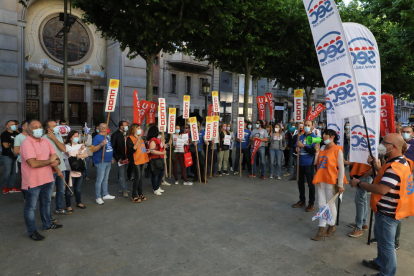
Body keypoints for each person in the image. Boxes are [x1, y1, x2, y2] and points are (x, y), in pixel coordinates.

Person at [350, 133, 414, 276]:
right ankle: (380, 262)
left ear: (394, 147)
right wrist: (377, 167)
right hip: (386, 210)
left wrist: (359, 183)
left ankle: (386, 273)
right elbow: (388, 179)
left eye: (385, 143)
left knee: (387, 246)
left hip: (388, 213)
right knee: (381, 239)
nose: (381, 145)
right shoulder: (400, 161)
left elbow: (382, 189)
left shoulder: (395, 167)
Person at [20, 120, 63, 241]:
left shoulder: (45, 141)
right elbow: (33, 163)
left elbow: (56, 157)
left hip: (48, 178)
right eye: (35, 127)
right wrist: (50, 161)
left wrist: (56, 163)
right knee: (31, 207)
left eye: (39, 127)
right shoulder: (26, 143)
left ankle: (48, 224)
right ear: (29, 129)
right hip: (33, 181)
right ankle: (32, 231)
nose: (38, 129)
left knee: (46, 203)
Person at [311, 129, 346, 240]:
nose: (324, 137)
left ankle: (331, 225)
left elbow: (341, 168)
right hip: (321, 179)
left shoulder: (337, 150)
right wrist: (316, 152)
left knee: (330, 204)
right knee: (321, 204)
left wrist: (340, 184)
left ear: (332, 137)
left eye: (326, 135)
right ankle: (321, 228)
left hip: (332, 180)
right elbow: (316, 163)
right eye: (323, 135)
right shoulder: (321, 148)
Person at [42, 120, 70, 215]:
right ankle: (47, 213)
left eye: (56, 125)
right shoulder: (43, 138)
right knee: (49, 192)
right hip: (51, 168)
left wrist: (54, 139)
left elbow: (63, 148)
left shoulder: (58, 136)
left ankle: (59, 208)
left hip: (61, 166)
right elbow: (46, 155)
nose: (57, 127)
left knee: (61, 190)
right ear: (48, 129)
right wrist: (56, 169)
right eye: (54, 126)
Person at [292, 120, 317, 211]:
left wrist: (303, 146)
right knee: (300, 183)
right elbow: (296, 148)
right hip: (300, 163)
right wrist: (296, 149)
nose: (306, 126)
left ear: (312, 126)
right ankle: (302, 200)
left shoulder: (315, 137)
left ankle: (311, 203)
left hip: (309, 164)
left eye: (308, 125)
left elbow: (314, 152)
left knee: (310, 184)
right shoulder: (300, 137)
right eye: (305, 125)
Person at [345, 161, 373, 238]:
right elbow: (359, 161)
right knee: (362, 200)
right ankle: (363, 223)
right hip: (363, 175)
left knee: (359, 201)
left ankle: (359, 227)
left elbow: (375, 166)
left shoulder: (372, 150)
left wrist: (363, 177)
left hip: (364, 176)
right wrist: (348, 163)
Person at [92, 123, 116, 204]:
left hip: (108, 160)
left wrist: (111, 158)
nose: (103, 128)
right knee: (99, 180)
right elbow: (93, 149)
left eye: (105, 127)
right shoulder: (97, 137)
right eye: (101, 127)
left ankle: (105, 194)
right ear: (98, 128)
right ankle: (98, 197)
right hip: (101, 161)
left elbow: (109, 148)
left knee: (105, 179)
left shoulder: (106, 137)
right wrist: (101, 144)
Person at [64, 131, 88, 210]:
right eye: (75, 136)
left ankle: (79, 202)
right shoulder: (67, 146)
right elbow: (70, 154)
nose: (77, 137)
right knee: (69, 188)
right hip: (70, 170)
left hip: (80, 169)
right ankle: (68, 205)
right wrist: (79, 152)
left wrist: (77, 154)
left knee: (77, 187)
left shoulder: (81, 145)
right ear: (71, 137)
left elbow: (86, 154)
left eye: (78, 136)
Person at [126, 124, 149, 202]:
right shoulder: (129, 139)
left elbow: (141, 148)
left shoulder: (140, 138)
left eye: (140, 128)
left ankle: (140, 193)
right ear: (133, 130)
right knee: (137, 176)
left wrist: (147, 151)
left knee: (141, 177)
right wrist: (137, 141)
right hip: (135, 160)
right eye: (138, 128)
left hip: (142, 159)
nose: (140, 129)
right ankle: (134, 195)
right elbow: (131, 150)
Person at [1, 120, 21, 194]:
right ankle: (5, 187)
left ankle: (12, 186)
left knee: (14, 172)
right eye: (11, 124)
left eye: (14, 124)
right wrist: (15, 144)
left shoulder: (16, 133)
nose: (14, 125)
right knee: (7, 172)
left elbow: (22, 139)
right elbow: (5, 145)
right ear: (7, 126)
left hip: (15, 155)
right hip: (7, 155)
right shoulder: (4, 134)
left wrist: (18, 132)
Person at [111, 120, 130, 198]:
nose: (127, 127)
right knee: (121, 174)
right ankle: (124, 189)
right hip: (120, 158)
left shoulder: (128, 134)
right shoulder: (115, 135)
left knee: (124, 172)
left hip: (128, 157)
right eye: (125, 125)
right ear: (121, 126)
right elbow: (113, 147)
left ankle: (122, 187)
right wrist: (117, 158)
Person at [147, 126, 166, 195]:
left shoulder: (157, 139)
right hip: (155, 159)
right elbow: (152, 151)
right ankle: (155, 188)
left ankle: (157, 187)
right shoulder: (153, 140)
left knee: (161, 173)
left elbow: (160, 147)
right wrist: (162, 153)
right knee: (155, 174)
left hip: (159, 158)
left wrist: (163, 143)